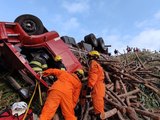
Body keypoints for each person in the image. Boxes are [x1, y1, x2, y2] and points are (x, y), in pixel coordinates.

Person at [86, 50, 105, 120]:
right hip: (100, 86)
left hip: (97, 86)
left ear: (92, 57)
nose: (88, 59)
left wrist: (89, 87)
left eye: (89, 57)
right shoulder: (98, 65)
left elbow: (93, 76)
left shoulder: (93, 63)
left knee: (98, 109)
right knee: (99, 106)